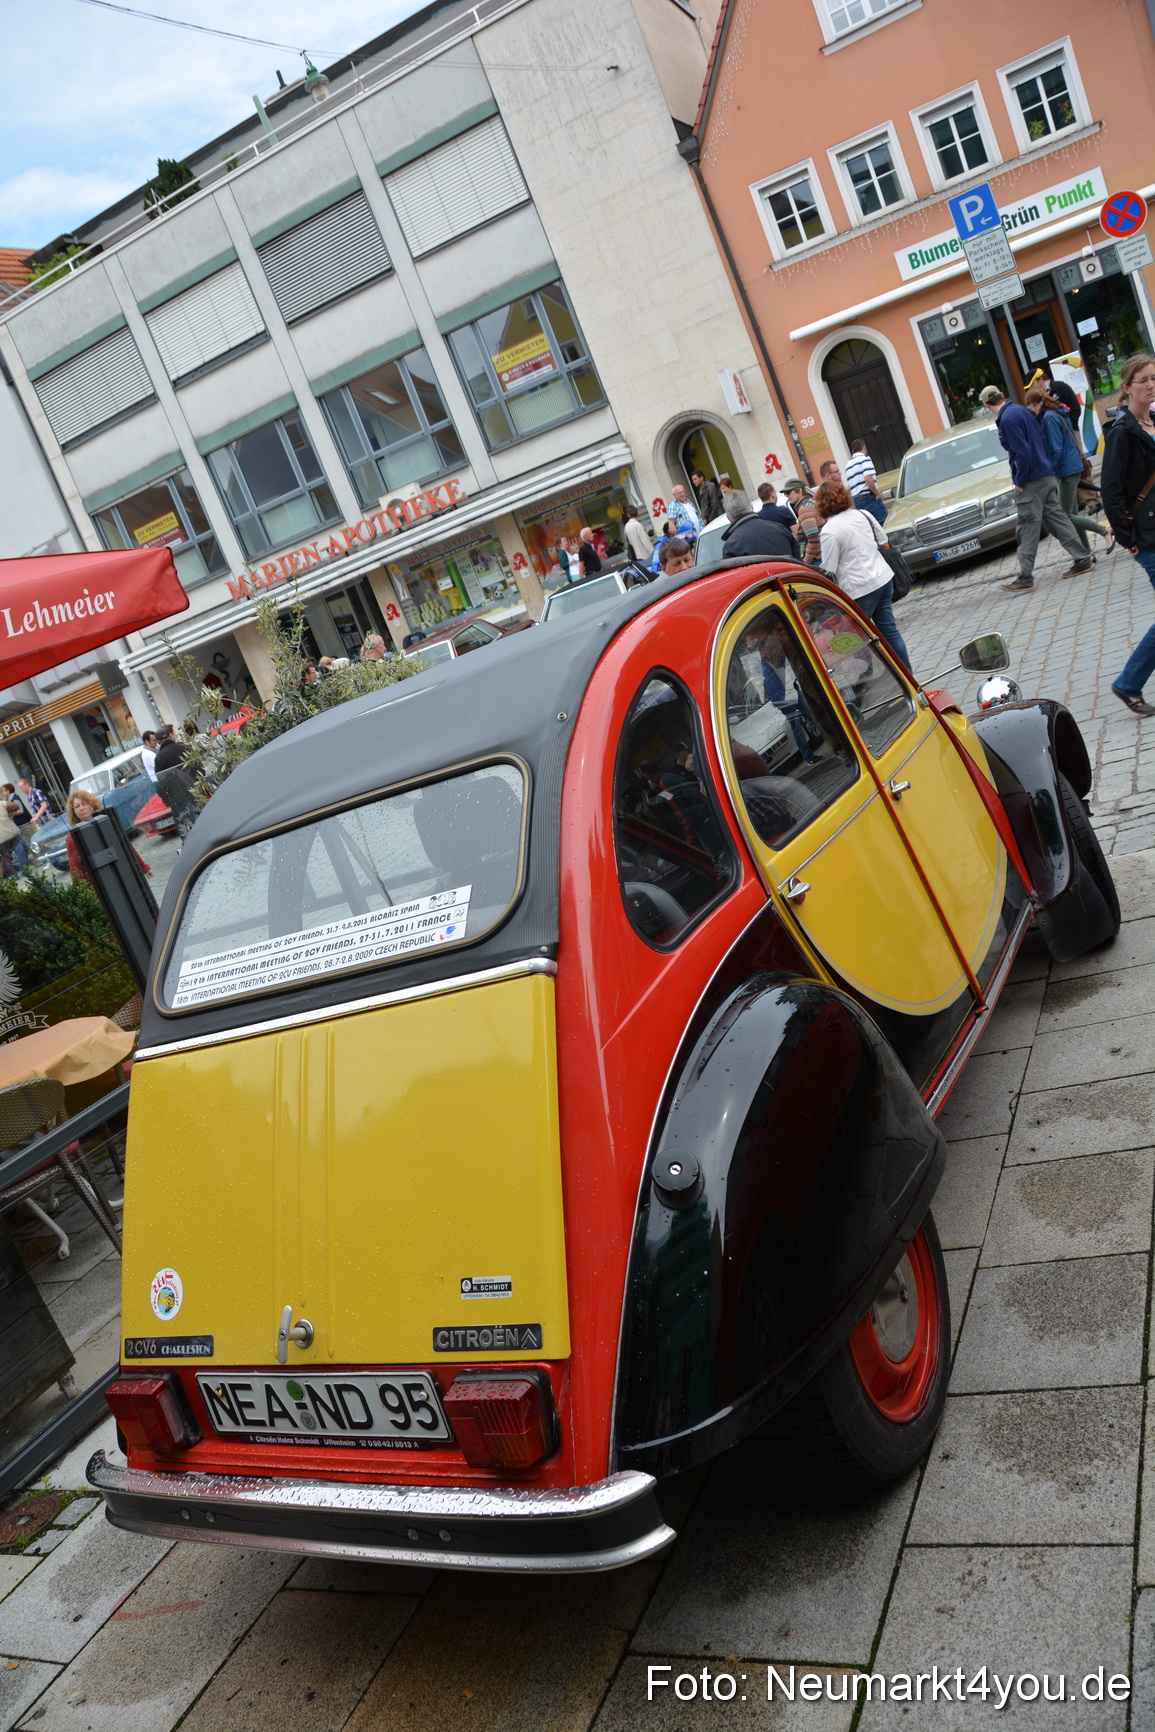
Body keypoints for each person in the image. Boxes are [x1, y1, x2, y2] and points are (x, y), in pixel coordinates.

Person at [978, 384, 1094, 592]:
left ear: (987, 405)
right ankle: (1083, 557)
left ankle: (1025, 577)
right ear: (1003, 395)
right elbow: (1039, 440)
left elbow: (1021, 452)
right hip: (1045, 474)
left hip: (1031, 480)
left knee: (1027, 526)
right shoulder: (1021, 410)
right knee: (1057, 518)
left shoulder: (1007, 419)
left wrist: (1020, 481)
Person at [1101, 353, 1155, 716]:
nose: (1150, 385)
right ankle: (1128, 683)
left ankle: (1128, 683)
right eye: (1143, 381)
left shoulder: (1153, 421)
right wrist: (1126, 537)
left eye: (1153, 378)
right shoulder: (1123, 432)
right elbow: (1111, 490)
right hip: (1149, 536)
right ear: (1127, 387)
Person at [814, 478, 910, 670]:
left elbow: (829, 569)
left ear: (821, 505)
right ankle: (908, 674)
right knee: (889, 632)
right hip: (882, 580)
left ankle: (868, 676)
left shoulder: (829, 531)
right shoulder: (863, 514)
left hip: (858, 589)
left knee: (856, 638)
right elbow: (883, 540)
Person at [1028, 386, 1112, 558]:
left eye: (1030, 407)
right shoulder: (1054, 412)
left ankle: (1105, 531)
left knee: (1066, 515)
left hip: (1065, 470)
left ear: (1036, 404)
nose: (1031, 411)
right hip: (1070, 466)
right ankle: (1087, 553)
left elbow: (1056, 449)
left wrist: (1048, 469)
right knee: (1072, 514)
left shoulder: (1049, 418)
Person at [65, 789, 152, 882]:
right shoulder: (72, 837)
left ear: (92, 804)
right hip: (99, 883)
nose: (81, 808)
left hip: (122, 874)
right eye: (77, 806)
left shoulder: (106, 822)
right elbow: (75, 866)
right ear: (73, 812)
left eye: (84, 803)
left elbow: (126, 846)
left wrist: (143, 867)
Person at [719, 490, 796, 559]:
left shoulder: (731, 547)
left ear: (728, 518)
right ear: (752, 508)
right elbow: (799, 563)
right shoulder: (779, 528)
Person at [153, 726, 198, 836]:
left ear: (158, 742)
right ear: (171, 735)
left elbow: (161, 782)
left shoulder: (160, 757)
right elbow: (198, 768)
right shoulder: (184, 747)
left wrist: (166, 799)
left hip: (177, 798)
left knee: (187, 829)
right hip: (195, 791)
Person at [844, 439, 888, 525]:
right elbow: (868, 478)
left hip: (857, 501)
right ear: (864, 447)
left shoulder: (848, 465)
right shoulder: (865, 459)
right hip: (869, 498)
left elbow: (850, 485)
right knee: (884, 523)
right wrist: (877, 494)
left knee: (869, 527)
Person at [782, 478, 822, 566]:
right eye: (785, 493)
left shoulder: (804, 509)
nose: (786, 495)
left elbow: (814, 538)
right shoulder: (811, 503)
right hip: (821, 555)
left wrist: (806, 561)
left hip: (817, 559)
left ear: (799, 490)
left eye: (788, 492)